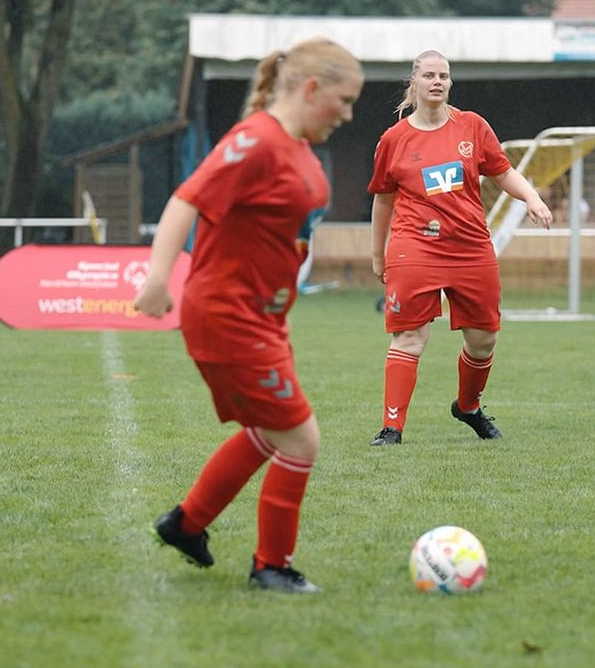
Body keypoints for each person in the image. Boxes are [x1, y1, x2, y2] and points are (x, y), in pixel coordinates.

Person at [134, 37, 363, 594]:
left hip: (263, 318)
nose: (349, 114)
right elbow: (186, 198)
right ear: (311, 89)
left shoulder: (298, 147)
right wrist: (158, 279)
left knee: (272, 430)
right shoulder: (254, 141)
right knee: (301, 440)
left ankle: (186, 525)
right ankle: (272, 566)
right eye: (345, 99)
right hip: (228, 317)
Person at [367, 49, 552, 447]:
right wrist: (377, 252)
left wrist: (532, 198)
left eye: (444, 76)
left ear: (450, 83)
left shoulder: (472, 127)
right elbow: (383, 199)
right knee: (410, 338)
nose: (437, 81)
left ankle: (467, 407)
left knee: (483, 339)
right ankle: (391, 428)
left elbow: (503, 173)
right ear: (413, 83)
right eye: (429, 75)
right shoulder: (393, 140)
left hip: (470, 247)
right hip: (413, 246)